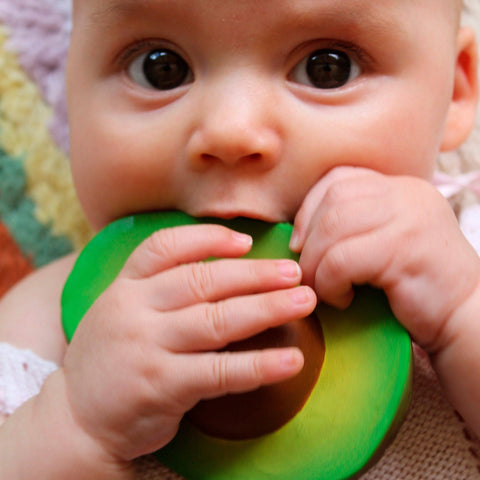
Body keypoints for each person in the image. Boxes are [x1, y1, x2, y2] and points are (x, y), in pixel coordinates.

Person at [0, 0, 479, 478]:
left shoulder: (463, 258)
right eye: (161, 70)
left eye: (326, 69)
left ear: (454, 92)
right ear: (69, 84)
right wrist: (75, 426)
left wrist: (462, 313)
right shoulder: (44, 332)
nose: (231, 131)